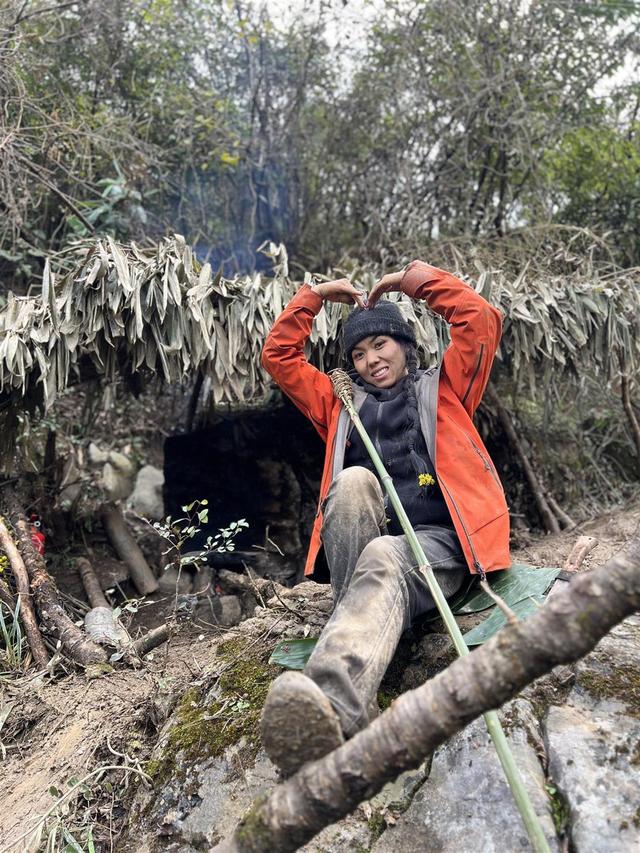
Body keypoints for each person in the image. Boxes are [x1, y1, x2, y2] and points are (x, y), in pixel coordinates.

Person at [259, 260, 510, 776]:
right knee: (351, 484)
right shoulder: (339, 403)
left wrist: (409, 281)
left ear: (405, 346)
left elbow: (479, 319)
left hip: (438, 549)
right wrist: (316, 295)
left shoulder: (445, 390)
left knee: (387, 554)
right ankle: (359, 631)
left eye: (382, 345)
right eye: (358, 353)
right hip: (368, 560)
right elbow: (279, 356)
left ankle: (333, 705)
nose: (371, 359)